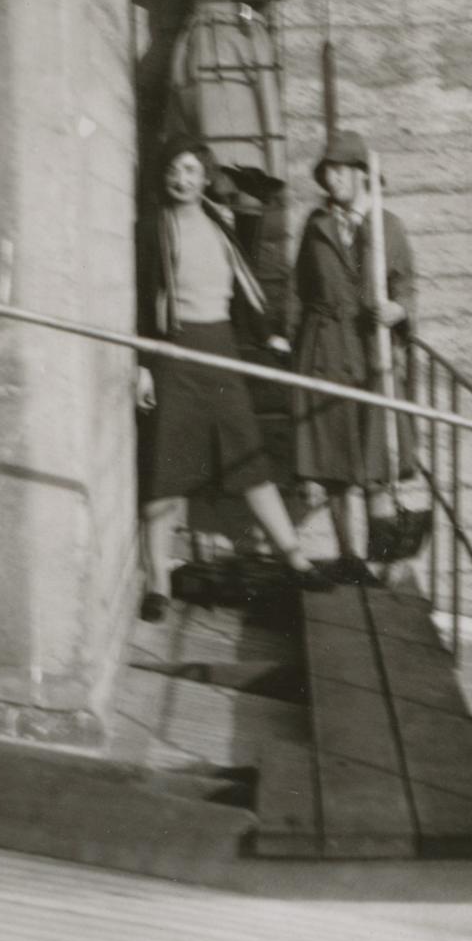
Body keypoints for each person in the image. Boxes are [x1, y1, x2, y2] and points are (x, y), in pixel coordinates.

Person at [137, 141, 328, 617]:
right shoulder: (151, 229)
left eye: (190, 170)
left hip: (220, 350)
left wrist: (271, 335)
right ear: (166, 178)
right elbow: (142, 299)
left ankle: (295, 558)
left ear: (205, 178)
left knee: (248, 457)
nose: (181, 178)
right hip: (174, 352)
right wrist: (141, 364)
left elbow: (244, 288)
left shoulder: (221, 225)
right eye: (174, 170)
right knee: (166, 471)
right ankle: (158, 581)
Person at [288, 130, 417, 573]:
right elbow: (301, 290)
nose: (332, 179)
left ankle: (388, 565)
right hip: (324, 349)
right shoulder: (316, 225)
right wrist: (294, 342)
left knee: (376, 463)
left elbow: (406, 286)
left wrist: (397, 310)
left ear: (364, 174)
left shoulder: (388, 227)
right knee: (336, 464)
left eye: (341, 170)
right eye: (328, 171)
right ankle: (349, 559)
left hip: (370, 353)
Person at [165, 0, 285, 225]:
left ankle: (248, 215)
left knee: (250, 152)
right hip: (206, 38)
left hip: (244, 32)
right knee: (213, 145)